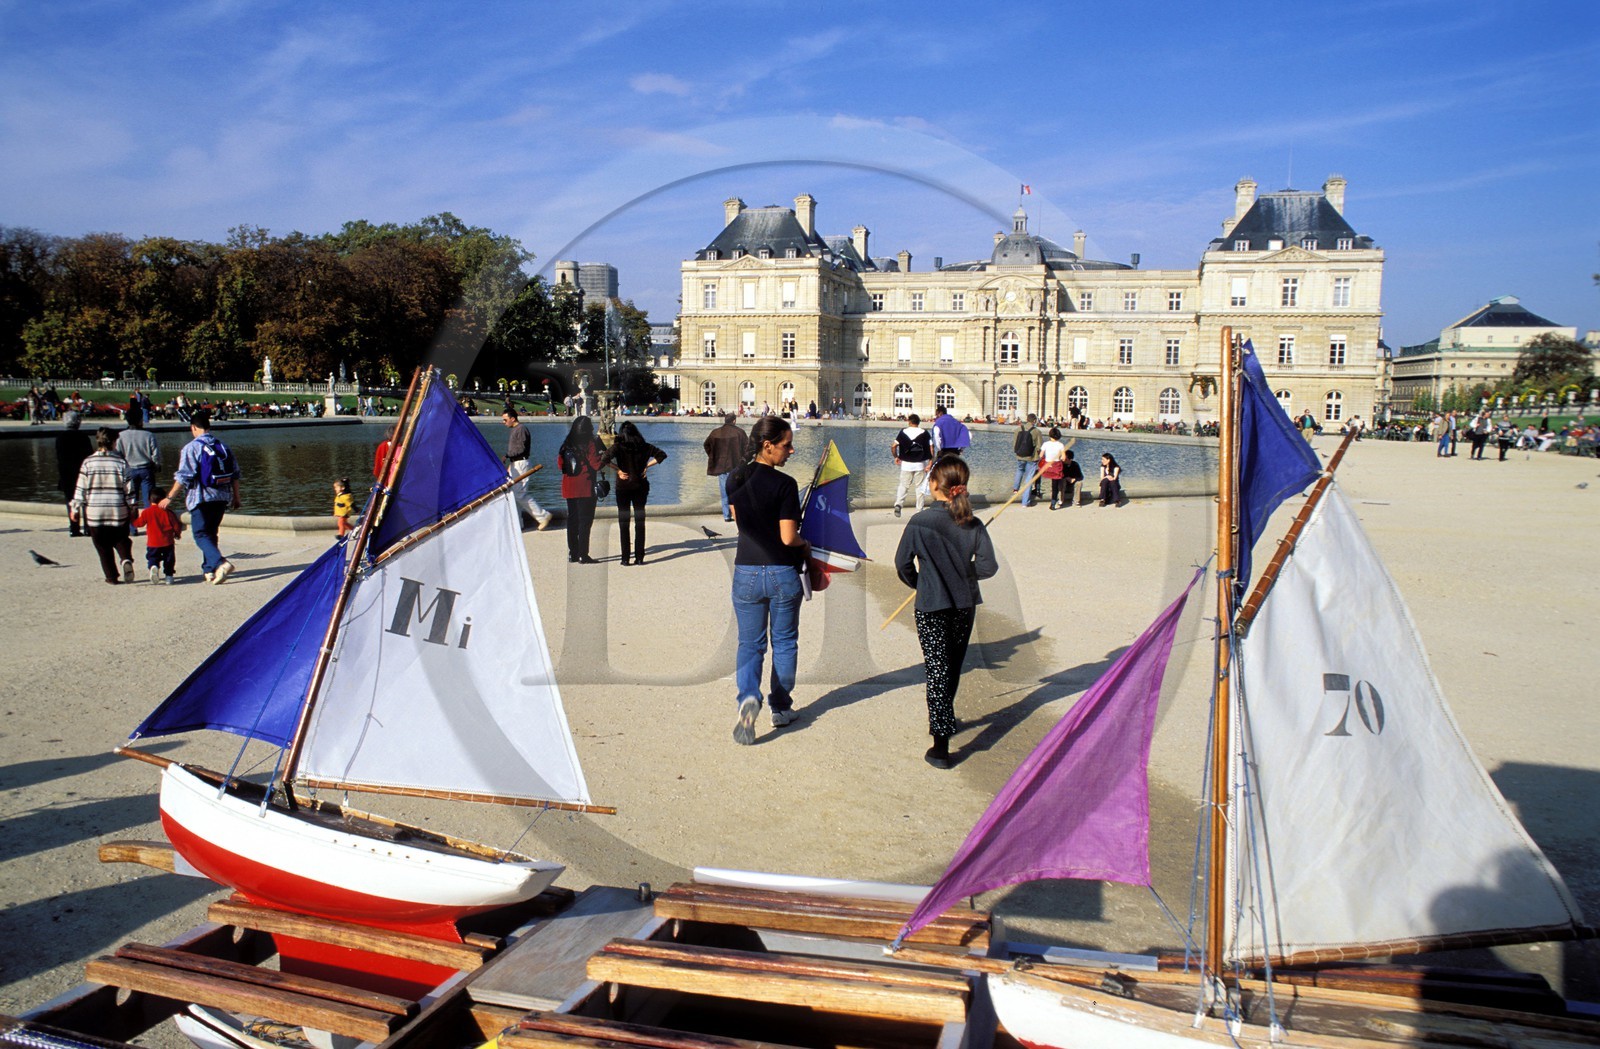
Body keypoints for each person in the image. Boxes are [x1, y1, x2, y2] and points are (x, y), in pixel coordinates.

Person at [893, 457, 998, 769]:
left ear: (936, 485)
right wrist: (963, 572)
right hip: (964, 605)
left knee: (938, 669)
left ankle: (940, 744)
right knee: (949, 667)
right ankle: (943, 718)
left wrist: (921, 583)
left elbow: (902, 565)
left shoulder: (921, 522)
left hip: (931, 604)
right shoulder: (972, 522)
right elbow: (988, 566)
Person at [727, 416, 809, 744]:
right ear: (768, 445)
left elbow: (738, 519)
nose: (791, 450)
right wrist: (807, 542)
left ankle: (748, 696)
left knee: (750, 644)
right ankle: (780, 706)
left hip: (746, 569)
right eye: (786, 445)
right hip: (781, 571)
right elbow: (789, 537)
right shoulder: (785, 484)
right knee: (785, 642)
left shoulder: (734, 477)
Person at [161, 409, 241, 584]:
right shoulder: (223, 446)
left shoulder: (192, 447)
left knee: (200, 534)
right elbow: (235, 474)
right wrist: (236, 497)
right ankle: (209, 569)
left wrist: (169, 497)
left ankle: (221, 562)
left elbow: (183, 476)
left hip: (202, 497)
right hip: (222, 496)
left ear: (193, 427)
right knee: (211, 533)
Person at [71, 427, 137, 585]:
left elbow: (81, 489)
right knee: (121, 539)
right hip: (117, 509)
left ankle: (111, 576)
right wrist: (133, 507)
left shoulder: (88, 462)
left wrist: (75, 509)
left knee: (102, 546)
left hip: (95, 511)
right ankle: (125, 558)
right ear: (114, 442)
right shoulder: (121, 462)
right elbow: (129, 489)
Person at [602, 421, 668, 566]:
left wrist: (617, 470)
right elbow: (662, 455)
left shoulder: (618, 447)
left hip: (623, 487)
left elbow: (603, 459)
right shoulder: (644, 446)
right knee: (640, 521)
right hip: (640, 486)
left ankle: (625, 558)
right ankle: (639, 557)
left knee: (623, 522)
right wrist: (646, 466)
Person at [557, 415, 605, 564]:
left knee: (572, 521)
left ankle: (573, 553)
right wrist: (605, 456)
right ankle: (583, 555)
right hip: (585, 486)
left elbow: (560, 465)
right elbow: (596, 464)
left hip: (569, 486)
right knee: (585, 522)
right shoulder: (590, 443)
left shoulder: (566, 444)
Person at [500, 408, 553, 530]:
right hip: (516, 464)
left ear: (513, 419)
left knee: (519, 493)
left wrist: (507, 456)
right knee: (513, 494)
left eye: (505, 420)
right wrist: (510, 464)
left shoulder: (521, 429)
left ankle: (543, 516)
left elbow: (521, 449)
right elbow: (517, 451)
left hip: (521, 463)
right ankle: (518, 523)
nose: (503, 422)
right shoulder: (516, 430)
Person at [55, 412, 93, 537]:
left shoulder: (60, 438)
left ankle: (74, 528)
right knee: (86, 502)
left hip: (66, 473)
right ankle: (88, 528)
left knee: (71, 501)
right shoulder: (83, 437)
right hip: (81, 472)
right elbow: (89, 456)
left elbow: (59, 457)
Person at [703, 412, 745, 522]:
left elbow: (706, 445)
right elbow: (747, 449)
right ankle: (737, 514)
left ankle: (726, 515)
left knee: (724, 490)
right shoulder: (740, 432)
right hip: (736, 465)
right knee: (737, 490)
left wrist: (713, 456)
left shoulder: (715, 432)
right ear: (734, 421)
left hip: (721, 465)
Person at [116, 410, 161, 512]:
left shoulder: (120, 436)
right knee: (150, 500)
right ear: (140, 421)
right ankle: (151, 523)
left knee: (131, 501)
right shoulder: (149, 435)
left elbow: (118, 455)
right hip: (146, 470)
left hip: (129, 470)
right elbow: (155, 454)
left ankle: (133, 526)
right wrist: (157, 465)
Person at [134, 494, 184, 584]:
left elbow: (139, 524)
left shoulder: (147, 512)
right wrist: (177, 534)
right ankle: (169, 576)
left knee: (152, 557)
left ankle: (154, 566)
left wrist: (132, 519)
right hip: (167, 541)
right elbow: (176, 525)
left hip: (153, 542)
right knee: (169, 559)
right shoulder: (168, 512)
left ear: (149, 500)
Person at [891, 413, 933, 517]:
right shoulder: (925, 433)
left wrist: (896, 457)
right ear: (918, 422)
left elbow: (893, 446)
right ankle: (919, 510)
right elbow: (931, 448)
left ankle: (898, 504)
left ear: (909, 422)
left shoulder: (903, 432)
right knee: (920, 488)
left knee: (904, 485)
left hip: (906, 464)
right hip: (920, 464)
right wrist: (930, 463)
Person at [1011, 414, 1042, 506]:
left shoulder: (1018, 429)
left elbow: (1014, 444)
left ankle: (1015, 489)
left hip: (1020, 456)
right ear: (1034, 420)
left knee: (1019, 470)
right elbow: (1039, 446)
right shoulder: (1036, 431)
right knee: (1029, 478)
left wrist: (1017, 452)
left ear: (1027, 419)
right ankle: (1025, 502)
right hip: (1031, 457)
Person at [1037, 427, 1069, 509]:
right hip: (1056, 467)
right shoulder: (1061, 445)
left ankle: (1037, 489)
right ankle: (1053, 502)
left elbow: (1040, 455)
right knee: (1055, 486)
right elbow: (1064, 458)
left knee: (1037, 473)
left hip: (1047, 467)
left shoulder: (1046, 444)